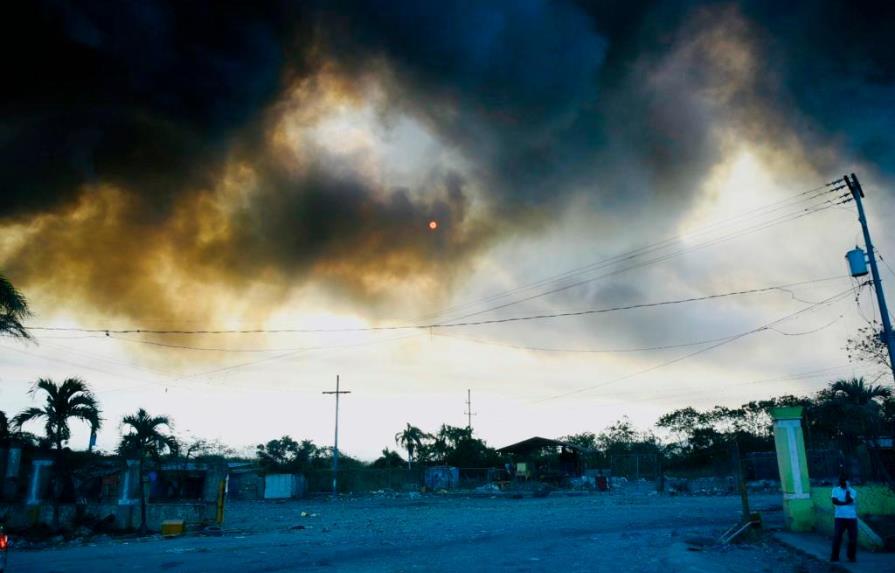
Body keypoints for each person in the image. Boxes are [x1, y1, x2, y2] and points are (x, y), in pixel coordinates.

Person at [830, 475, 858, 562]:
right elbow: (834, 501)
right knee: (837, 537)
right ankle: (834, 557)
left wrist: (848, 490)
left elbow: (849, 500)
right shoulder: (835, 490)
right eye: (842, 481)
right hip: (839, 518)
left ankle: (851, 557)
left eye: (845, 482)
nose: (844, 483)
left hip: (851, 518)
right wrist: (845, 503)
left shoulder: (853, 491)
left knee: (852, 539)